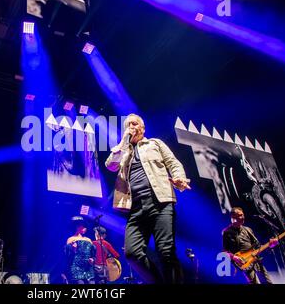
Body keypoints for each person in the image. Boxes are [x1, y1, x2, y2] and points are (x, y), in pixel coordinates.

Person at [105, 113, 191, 284]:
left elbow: (173, 163)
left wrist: (179, 177)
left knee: (166, 252)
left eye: (135, 124)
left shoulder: (155, 144)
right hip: (136, 208)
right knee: (132, 254)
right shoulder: (122, 151)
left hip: (161, 202)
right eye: (128, 125)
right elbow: (110, 166)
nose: (131, 127)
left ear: (142, 128)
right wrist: (123, 142)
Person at [222, 207, 278, 284]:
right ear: (233, 217)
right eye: (240, 215)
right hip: (243, 265)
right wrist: (234, 257)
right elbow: (225, 252)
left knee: (268, 282)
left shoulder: (248, 229)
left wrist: (270, 246)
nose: (243, 217)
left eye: (243, 215)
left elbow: (258, 247)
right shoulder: (227, 233)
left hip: (256, 261)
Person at [63, 216, 96, 284]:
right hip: (76, 268)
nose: (85, 228)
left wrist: (92, 259)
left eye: (85, 227)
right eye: (83, 226)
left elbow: (93, 255)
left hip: (88, 268)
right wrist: (73, 249)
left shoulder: (89, 240)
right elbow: (67, 257)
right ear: (77, 227)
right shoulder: (71, 239)